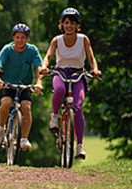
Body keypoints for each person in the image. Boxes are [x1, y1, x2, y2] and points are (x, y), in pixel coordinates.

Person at [40, 8, 102, 159]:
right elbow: (48, 56)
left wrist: (95, 69)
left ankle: (79, 146)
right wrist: (44, 67)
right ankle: (55, 116)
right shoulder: (57, 40)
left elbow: (91, 57)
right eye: (66, 23)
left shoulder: (83, 39)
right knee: (59, 90)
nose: (69, 26)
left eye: (72, 23)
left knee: (78, 106)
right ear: (62, 24)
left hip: (78, 74)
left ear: (77, 26)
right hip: (60, 72)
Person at [0, 23, 43, 151]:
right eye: (17, 37)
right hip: (8, 84)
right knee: (6, 103)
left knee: (26, 107)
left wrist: (39, 82)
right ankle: (1, 126)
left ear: (27, 39)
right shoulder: (7, 49)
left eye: (23, 38)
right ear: (13, 38)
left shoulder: (32, 50)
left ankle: (24, 138)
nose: (20, 40)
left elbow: (38, 67)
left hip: (24, 85)